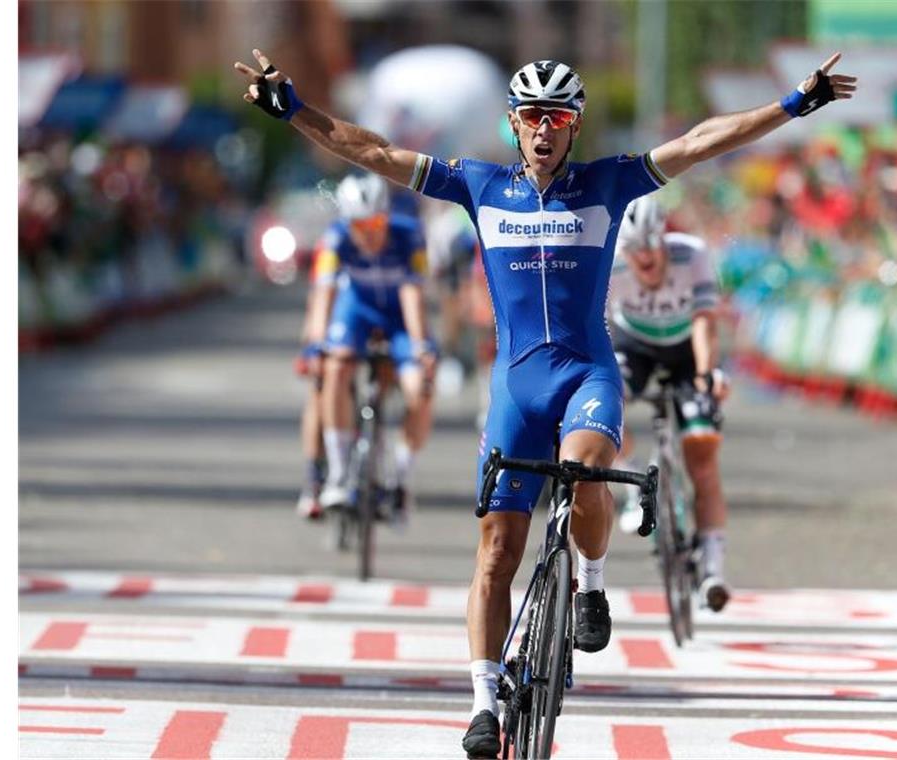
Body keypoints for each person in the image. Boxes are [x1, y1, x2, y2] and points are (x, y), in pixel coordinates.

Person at [233, 48, 856, 758]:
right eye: (531, 116)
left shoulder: (609, 183)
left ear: (574, 126)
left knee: (586, 471)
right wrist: (292, 109)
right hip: (516, 387)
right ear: (513, 123)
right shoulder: (479, 185)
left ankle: (589, 583)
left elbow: (701, 142)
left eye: (557, 117)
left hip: (587, 374)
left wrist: (794, 103)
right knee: (497, 549)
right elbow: (370, 148)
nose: (543, 130)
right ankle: (481, 699)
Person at [607, 195, 732, 612]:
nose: (645, 257)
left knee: (702, 453)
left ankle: (713, 566)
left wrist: (705, 374)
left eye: (651, 246)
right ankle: (629, 487)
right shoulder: (610, 264)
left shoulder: (691, 255)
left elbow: (704, 323)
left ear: (665, 239)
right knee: (606, 404)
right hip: (634, 345)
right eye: (634, 250)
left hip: (684, 350)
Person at [313, 173, 437, 522]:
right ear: (347, 222)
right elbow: (325, 293)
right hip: (357, 311)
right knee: (336, 368)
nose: (369, 232)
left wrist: (420, 346)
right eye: (359, 224)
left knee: (421, 390)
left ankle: (400, 478)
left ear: (387, 214)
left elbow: (413, 294)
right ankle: (338, 472)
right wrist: (318, 343)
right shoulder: (335, 237)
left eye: (377, 222)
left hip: (400, 317)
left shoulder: (410, 234)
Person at [291, 226, 342, 520]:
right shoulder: (332, 245)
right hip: (332, 320)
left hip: (371, 321)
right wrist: (310, 345)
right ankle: (313, 477)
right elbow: (318, 299)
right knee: (319, 390)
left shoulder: (393, 240)